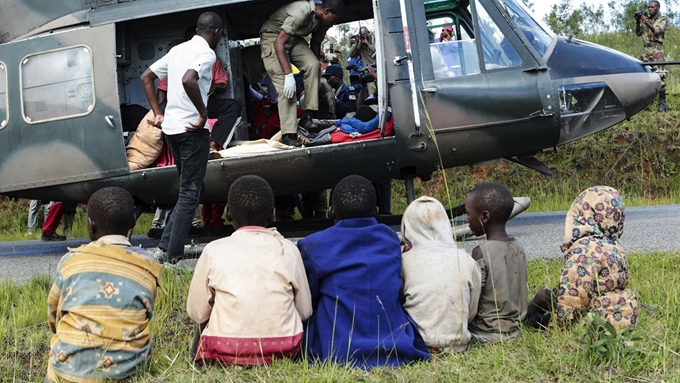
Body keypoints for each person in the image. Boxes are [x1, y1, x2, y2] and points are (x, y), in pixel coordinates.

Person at [298, 175, 430, 369]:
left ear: (331, 211)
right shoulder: (389, 238)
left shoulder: (313, 244)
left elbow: (310, 297)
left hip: (339, 347)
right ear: (376, 211)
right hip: (393, 342)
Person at [186, 175, 312, 365]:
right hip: (285, 349)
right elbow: (304, 311)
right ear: (272, 214)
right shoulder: (288, 249)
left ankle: (195, 361)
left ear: (227, 213)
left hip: (224, 348)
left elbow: (197, 313)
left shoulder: (214, 250)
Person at [46, 187, 162, 383]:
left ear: (90, 226)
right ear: (133, 223)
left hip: (67, 373)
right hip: (127, 373)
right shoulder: (148, 265)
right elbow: (146, 312)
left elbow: (53, 315)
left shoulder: (71, 260)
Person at [141, 12, 223, 264]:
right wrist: (203, 112)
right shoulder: (207, 54)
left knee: (196, 188)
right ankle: (171, 255)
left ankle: (166, 244)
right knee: (190, 191)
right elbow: (190, 79)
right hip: (191, 130)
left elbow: (147, 77)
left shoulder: (177, 50)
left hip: (172, 131)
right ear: (216, 32)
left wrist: (157, 112)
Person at [526, 186, 638, 331]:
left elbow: (573, 298)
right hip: (624, 315)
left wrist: (555, 323)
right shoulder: (616, 248)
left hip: (596, 321)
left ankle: (521, 322)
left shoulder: (585, 250)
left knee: (535, 318)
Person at [401, 196, 482, 352]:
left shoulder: (404, 261)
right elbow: (472, 310)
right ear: (445, 224)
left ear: (407, 227)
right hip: (458, 346)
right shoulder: (466, 259)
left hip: (418, 344)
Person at [259, 0, 345, 147]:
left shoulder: (322, 21)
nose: (334, 23)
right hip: (273, 38)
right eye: (334, 19)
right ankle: (288, 134)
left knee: (313, 65)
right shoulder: (302, 11)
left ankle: (308, 115)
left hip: (293, 39)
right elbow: (279, 42)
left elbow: (316, 44)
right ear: (326, 11)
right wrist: (288, 75)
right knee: (287, 89)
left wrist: (315, 72)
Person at [465, 182, 528, 343]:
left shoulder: (480, 251)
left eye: (468, 214)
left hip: (485, 331)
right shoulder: (518, 247)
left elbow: (473, 298)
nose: (467, 219)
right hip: (515, 329)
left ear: (484, 217)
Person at [636, 1, 668, 112]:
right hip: (646, 50)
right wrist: (637, 22)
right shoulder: (646, 19)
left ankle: (662, 102)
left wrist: (645, 20)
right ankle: (648, 102)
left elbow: (656, 30)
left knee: (660, 76)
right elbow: (638, 33)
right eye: (648, 7)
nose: (650, 9)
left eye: (652, 7)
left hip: (657, 50)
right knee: (646, 76)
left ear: (658, 8)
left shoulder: (662, 19)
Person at [349, 26, 377, 96]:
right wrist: (357, 43)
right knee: (373, 94)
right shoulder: (360, 45)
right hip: (369, 72)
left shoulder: (375, 40)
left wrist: (368, 45)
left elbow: (379, 53)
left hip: (378, 71)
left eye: (365, 34)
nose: (364, 37)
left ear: (368, 33)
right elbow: (351, 55)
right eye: (362, 35)